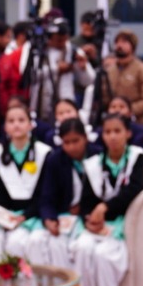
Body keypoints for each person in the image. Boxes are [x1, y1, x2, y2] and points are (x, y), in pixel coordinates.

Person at [71, 113, 143, 286]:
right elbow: (86, 201)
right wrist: (90, 220)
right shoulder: (93, 164)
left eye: (117, 131)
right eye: (107, 132)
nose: (112, 137)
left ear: (128, 133)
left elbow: (134, 189)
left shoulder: (136, 157)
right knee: (82, 249)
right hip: (95, 225)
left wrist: (104, 208)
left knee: (104, 255)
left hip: (120, 223)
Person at [0, 100, 49, 265]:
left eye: (21, 120)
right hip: (4, 215)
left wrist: (24, 216)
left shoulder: (44, 153)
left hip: (31, 215)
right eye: (11, 121)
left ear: (30, 125)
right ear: (5, 127)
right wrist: (4, 216)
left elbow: (44, 193)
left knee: (18, 242)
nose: (16, 125)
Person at [34, 117, 92, 274]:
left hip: (89, 217)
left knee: (84, 248)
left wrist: (83, 209)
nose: (72, 147)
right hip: (64, 216)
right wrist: (49, 218)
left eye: (76, 141)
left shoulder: (97, 156)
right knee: (54, 243)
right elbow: (46, 196)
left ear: (85, 138)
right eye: (67, 142)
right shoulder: (55, 160)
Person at [103, 31, 143, 121]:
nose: (119, 45)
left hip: (138, 122)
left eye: (124, 42)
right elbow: (105, 98)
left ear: (133, 46)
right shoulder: (109, 71)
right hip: (112, 121)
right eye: (117, 42)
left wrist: (127, 110)